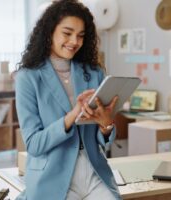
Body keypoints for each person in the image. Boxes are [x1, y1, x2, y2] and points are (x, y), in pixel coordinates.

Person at [15, 0, 121, 199]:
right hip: (54, 177)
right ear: (49, 32)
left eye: (81, 36)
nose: (75, 41)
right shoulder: (27, 78)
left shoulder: (93, 72)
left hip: (94, 174)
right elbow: (34, 144)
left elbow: (104, 138)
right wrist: (73, 115)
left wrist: (106, 125)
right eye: (67, 33)